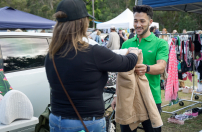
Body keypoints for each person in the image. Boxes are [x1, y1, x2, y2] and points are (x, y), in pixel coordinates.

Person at [45, 0, 140, 131]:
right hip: (87, 121)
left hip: (57, 119)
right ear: (81, 23)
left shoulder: (51, 54)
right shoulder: (93, 52)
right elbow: (127, 63)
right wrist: (134, 52)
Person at [111, 5, 169, 132]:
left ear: (150, 22)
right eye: (135, 21)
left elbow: (161, 67)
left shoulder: (161, 43)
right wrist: (116, 95)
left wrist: (147, 68)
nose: (138, 24)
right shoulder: (127, 44)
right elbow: (120, 72)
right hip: (128, 98)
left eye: (142, 21)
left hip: (151, 98)